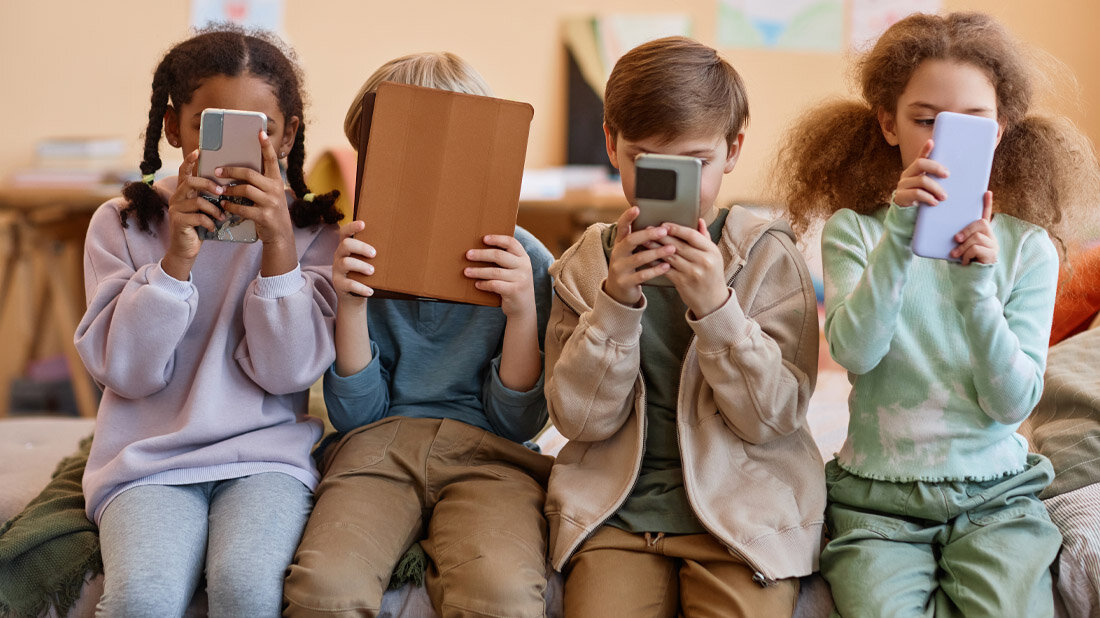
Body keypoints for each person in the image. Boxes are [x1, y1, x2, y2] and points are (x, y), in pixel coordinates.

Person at [773, 12, 1100, 617]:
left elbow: (1012, 403)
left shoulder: (1028, 248)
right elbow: (856, 353)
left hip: (997, 498)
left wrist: (977, 291)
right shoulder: (854, 231)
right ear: (888, 123)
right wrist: (900, 236)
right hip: (877, 500)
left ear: (999, 131)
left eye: (970, 123)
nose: (939, 141)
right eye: (925, 120)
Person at [544, 36, 824, 617]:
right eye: (647, 162)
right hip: (616, 516)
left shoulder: (768, 256)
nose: (674, 184)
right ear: (611, 144)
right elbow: (579, 420)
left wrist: (718, 310)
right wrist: (615, 304)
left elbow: (774, 417)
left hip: (743, 517)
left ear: (733, 149)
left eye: (695, 164)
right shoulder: (583, 267)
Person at [74, 26, 342, 617]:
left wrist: (278, 250)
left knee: (247, 588)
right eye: (210, 127)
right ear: (174, 128)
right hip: (148, 460)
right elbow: (125, 373)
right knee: (141, 598)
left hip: (266, 459)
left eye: (261, 129)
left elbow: (288, 373)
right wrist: (175, 261)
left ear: (288, 134)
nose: (238, 151)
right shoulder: (122, 223)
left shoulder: (314, 234)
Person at [282, 52, 555, 617]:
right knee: (325, 590)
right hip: (376, 447)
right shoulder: (348, 254)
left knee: (501, 596)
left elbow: (519, 424)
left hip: (493, 457)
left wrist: (522, 313)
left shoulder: (524, 261)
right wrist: (351, 306)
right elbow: (356, 417)